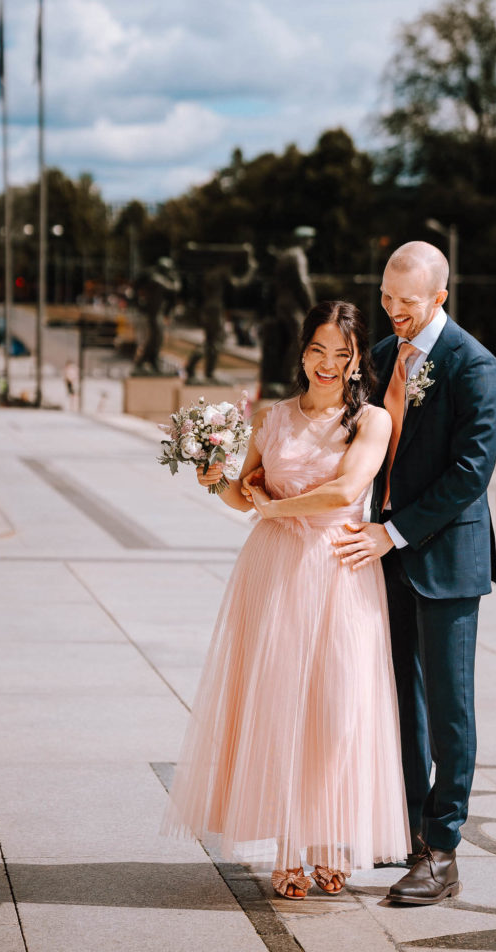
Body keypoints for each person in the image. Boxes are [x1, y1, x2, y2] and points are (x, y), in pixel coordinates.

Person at [162, 300, 409, 899]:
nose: (328, 363)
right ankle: (290, 852)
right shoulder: (275, 418)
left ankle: (332, 840)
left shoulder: (370, 422)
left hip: (338, 571)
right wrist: (214, 477)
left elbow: (345, 490)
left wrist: (274, 506)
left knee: (336, 708)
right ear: (302, 353)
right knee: (278, 707)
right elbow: (244, 496)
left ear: (356, 364)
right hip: (273, 570)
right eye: (318, 349)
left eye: (342, 354)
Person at [333, 241, 496, 906]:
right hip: (382, 554)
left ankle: (444, 850)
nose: (393, 311)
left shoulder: (476, 367)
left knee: (448, 709)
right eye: (385, 297)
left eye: (407, 302)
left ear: (439, 296)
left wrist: (394, 532)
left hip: (444, 560)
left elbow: (470, 475)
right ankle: (407, 830)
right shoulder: (380, 358)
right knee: (397, 700)